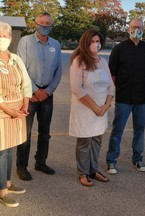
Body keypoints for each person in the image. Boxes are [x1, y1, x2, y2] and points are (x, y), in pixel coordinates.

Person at [16, 12, 62, 180]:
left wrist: (47, 91)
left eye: (48, 24)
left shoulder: (56, 45)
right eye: (41, 23)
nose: (44, 26)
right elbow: (21, 68)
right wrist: (35, 91)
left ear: (51, 25)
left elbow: (58, 71)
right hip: (29, 95)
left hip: (47, 95)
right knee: (25, 133)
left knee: (45, 132)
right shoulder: (25, 42)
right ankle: (21, 166)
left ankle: (40, 162)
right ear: (34, 23)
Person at [106, 18, 145, 175]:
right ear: (128, 29)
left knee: (139, 130)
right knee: (117, 130)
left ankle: (137, 159)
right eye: (134, 27)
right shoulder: (119, 49)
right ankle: (111, 161)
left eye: (139, 27)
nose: (136, 29)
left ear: (143, 29)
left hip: (141, 99)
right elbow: (112, 74)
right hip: (124, 98)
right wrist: (112, 93)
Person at [69, 29, 114, 186]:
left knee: (97, 140)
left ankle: (94, 169)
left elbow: (110, 86)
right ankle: (83, 172)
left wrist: (106, 105)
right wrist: (95, 107)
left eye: (97, 41)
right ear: (85, 43)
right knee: (84, 142)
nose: (96, 44)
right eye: (92, 42)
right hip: (85, 110)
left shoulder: (103, 62)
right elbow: (77, 89)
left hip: (101, 110)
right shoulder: (79, 61)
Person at [0, 22, 32, 207]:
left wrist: (25, 105)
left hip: (17, 112)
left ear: (11, 39)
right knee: (1, 152)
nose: (2, 38)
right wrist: (7, 109)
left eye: (5, 35)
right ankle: (2, 190)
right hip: (3, 111)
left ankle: (8, 182)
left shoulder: (15, 59)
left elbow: (26, 83)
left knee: (10, 148)